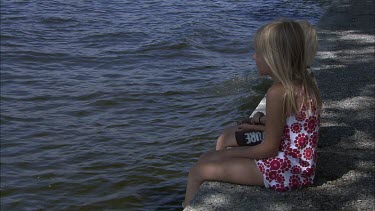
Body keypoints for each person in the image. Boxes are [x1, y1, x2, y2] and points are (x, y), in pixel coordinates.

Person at [183, 19, 322, 207]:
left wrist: (232, 154)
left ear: (274, 57)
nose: (253, 57)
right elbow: (293, 127)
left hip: (286, 171)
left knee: (198, 171)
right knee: (208, 158)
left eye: (258, 52)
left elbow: (269, 149)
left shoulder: (278, 92)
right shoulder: (304, 84)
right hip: (300, 166)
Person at [216, 19, 319, 151]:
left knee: (225, 139)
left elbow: (277, 136)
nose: (253, 57)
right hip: (291, 146)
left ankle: (223, 167)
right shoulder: (305, 81)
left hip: (284, 153)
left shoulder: (281, 90)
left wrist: (257, 123)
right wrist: (259, 122)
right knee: (228, 134)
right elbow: (288, 126)